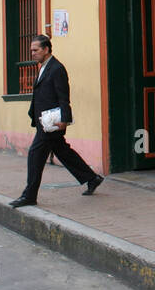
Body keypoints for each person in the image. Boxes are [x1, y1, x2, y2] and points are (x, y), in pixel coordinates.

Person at [10, 35, 102, 207]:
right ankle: (92, 178)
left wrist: (65, 120)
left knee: (35, 155)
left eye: (35, 50)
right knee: (62, 151)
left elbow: (63, 96)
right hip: (43, 121)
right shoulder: (44, 67)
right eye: (31, 50)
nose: (32, 53)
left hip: (52, 124)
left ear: (46, 49)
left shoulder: (57, 68)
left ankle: (29, 195)